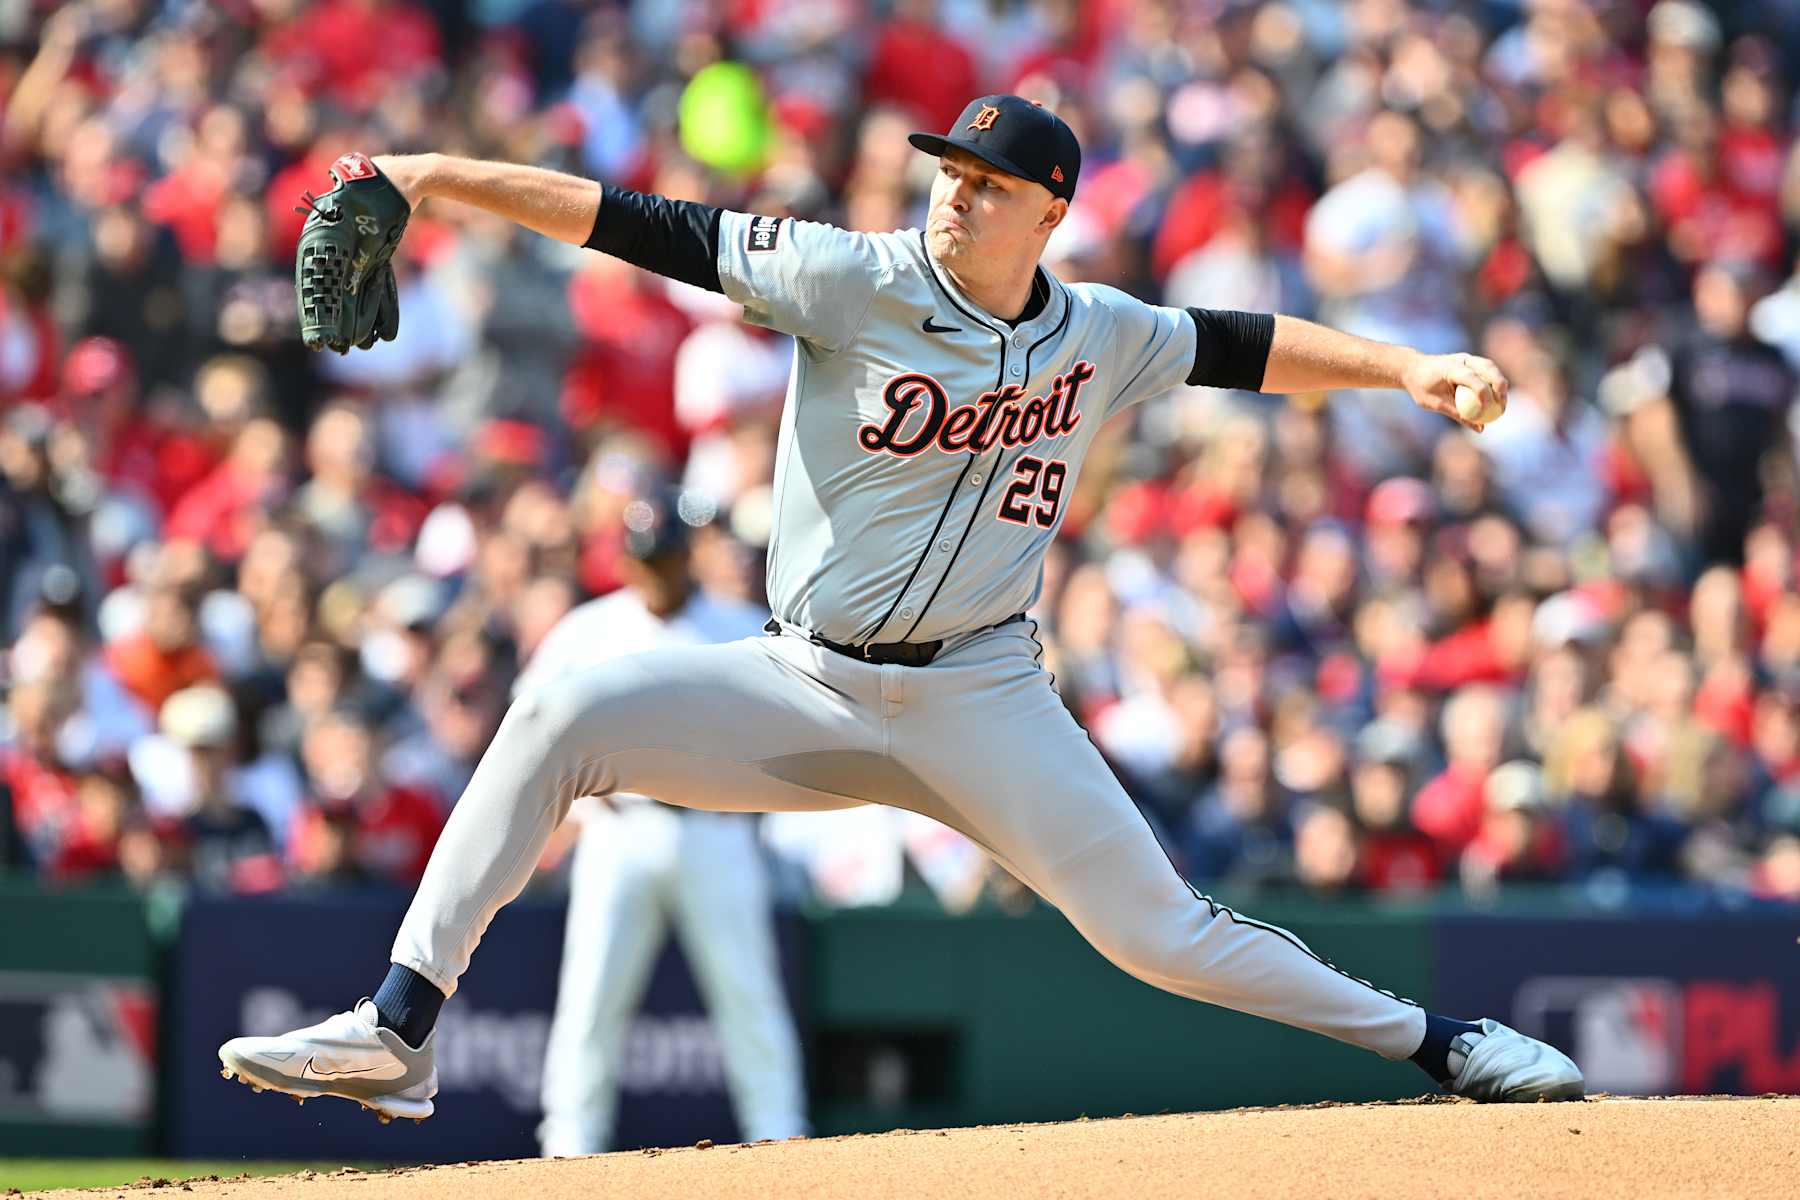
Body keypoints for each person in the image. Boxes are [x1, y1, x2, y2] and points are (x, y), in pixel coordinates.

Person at [220, 94, 1582, 1125]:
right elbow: (635, 223)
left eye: (989, 184)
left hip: (982, 695)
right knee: (567, 707)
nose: (956, 195)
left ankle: (1441, 1042)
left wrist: (1407, 369)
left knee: (1165, 939)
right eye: (951, 172)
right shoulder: (848, 275)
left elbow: (1241, 345)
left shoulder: (1097, 330)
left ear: (1050, 211)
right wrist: (432, 175)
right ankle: (400, 1032)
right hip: (799, 683)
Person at [514, 493, 808, 1156]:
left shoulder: (737, 623)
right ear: (625, 559)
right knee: (591, 1001)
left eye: (669, 557)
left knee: (749, 999)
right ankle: (569, 1145)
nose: (659, 571)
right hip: (621, 830)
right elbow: (528, 725)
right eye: (647, 558)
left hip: (718, 831)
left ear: (688, 557)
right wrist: (581, 806)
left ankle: (783, 1138)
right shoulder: (590, 629)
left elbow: (789, 720)